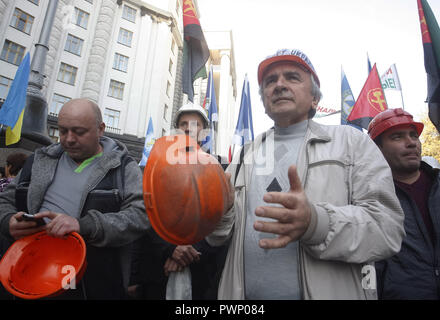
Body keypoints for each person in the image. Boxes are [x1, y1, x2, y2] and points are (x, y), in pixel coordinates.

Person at [206, 49, 405, 300]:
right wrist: (218, 212)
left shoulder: (351, 143)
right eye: (270, 81)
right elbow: (218, 237)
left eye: (292, 77)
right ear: (264, 100)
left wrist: (316, 222)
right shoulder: (244, 155)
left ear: (314, 99)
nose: (279, 85)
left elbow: (388, 229)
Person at [0, 98, 150, 299]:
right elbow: (4, 201)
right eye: (63, 131)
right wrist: (7, 220)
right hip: (30, 276)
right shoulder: (38, 160)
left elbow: (140, 216)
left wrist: (85, 225)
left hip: (92, 286)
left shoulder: (123, 168)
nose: (69, 139)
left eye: (79, 132)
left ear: (100, 129)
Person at [131, 103, 230, 300]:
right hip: (159, 271)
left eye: (195, 124)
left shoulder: (219, 168)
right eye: (183, 124)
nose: (188, 128)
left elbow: (221, 218)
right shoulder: (156, 165)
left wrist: (188, 253)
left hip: (202, 272)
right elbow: (145, 214)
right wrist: (170, 249)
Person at [368, 108, 440, 299]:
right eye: (397, 137)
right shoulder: (367, 198)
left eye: (413, 136)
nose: (410, 143)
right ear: (377, 149)